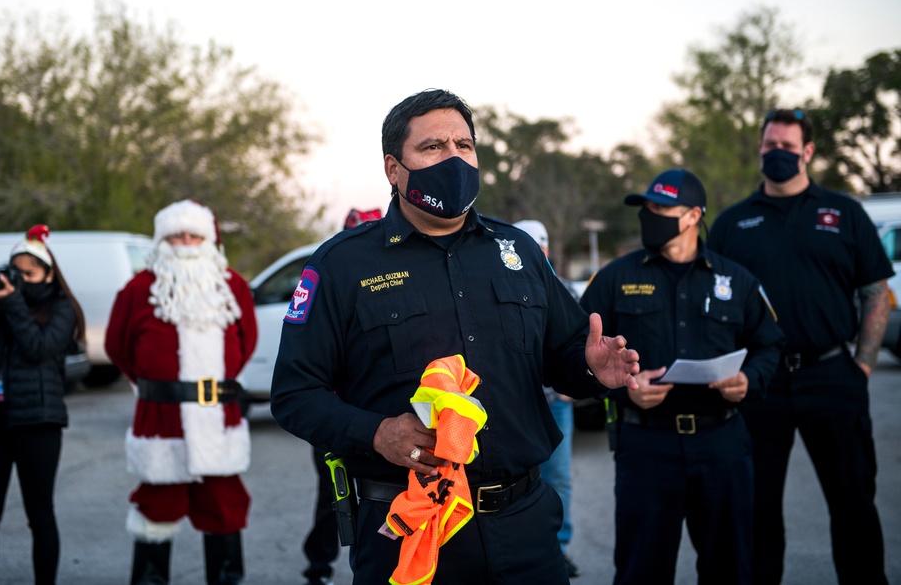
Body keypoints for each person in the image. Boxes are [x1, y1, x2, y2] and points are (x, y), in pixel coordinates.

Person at [270, 88, 640, 584]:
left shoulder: (519, 251)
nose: (454, 158)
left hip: (524, 524)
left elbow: (564, 358)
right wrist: (378, 434)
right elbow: (295, 395)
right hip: (409, 528)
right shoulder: (342, 265)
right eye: (433, 147)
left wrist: (592, 369)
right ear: (393, 168)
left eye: (464, 145)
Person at [707, 108, 894, 585]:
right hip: (759, 383)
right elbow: (716, 303)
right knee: (756, 509)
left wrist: (862, 369)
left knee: (853, 504)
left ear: (807, 152)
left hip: (833, 375)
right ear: (760, 149)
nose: (777, 155)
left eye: (787, 148)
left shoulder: (844, 212)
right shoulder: (733, 223)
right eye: (770, 146)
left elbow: (876, 292)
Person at [579, 169, 783, 584]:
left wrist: (749, 379)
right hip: (646, 448)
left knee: (729, 568)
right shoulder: (614, 279)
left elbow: (770, 346)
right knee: (641, 570)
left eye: (660, 207)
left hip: (722, 444)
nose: (649, 215)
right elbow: (578, 356)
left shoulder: (737, 280)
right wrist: (624, 394)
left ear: (693, 215)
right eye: (647, 207)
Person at [105, 200, 259, 585]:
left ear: (208, 240)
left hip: (218, 416)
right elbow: (117, 346)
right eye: (176, 235)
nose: (186, 243)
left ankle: (226, 578)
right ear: (162, 240)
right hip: (161, 417)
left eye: (194, 235)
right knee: (157, 506)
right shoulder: (138, 289)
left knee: (224, 505)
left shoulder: (233, 285)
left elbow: (247, 340)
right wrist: (153, 384)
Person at [0, 224, 86, 585]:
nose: (22, 280)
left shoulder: (62, 308)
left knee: (40, 514)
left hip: (39, 424)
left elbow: (39, 348)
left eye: (30, 274)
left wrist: (13, 302)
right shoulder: (2, 304)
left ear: (48, 274)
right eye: (16, 271)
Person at [299, 207, 385, 585]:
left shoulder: (392, 281)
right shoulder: (330, 279)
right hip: (338, 420)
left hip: (381, 421)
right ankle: (318, 568)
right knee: (331, 499)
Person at [513, 218, 580, 578]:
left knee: (560, 478)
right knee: (516, 482)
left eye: (541, 244)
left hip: (556, 405)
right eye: (529, 243)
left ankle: (560, 547)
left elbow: (580, 338)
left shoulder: (565, 287)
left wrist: (576, 377)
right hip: (517, 405)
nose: (537, 251)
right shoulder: (500, 285)